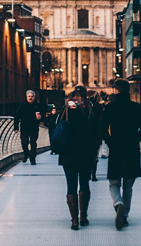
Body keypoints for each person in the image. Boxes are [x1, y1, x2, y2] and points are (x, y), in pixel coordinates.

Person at [102, 79, 141, 230]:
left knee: (114, 183)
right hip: (132, 149)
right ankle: (125, 216)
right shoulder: (136, 107)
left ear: (116, 91)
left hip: (116, 149)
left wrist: (110, 142)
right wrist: (136, 139)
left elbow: (102, 128)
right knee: (128, 185)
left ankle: (118, 204)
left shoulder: (110, 108)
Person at [58, 86, 99, 230]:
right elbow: (96, 132)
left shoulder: (66, 110)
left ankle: (74, 221)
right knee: (84, 184)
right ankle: (83, 217)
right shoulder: (89, 110)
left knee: (71, 185)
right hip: (86, 153)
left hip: (68, 153)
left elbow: (58, 128)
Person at [13, 90, 45, 165]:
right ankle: (26, 154)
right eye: (29, 96)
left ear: (34, 97)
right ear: (26, 97)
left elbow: (43, 114)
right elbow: (17, 116)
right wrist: (16, 127)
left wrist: (41, 117)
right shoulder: (22, 105)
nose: (30, 98)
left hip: (34, 128)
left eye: (32, 96)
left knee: (33, 143)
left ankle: (32, 158)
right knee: (24, 142)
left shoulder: (38, 105)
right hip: (24, 128)